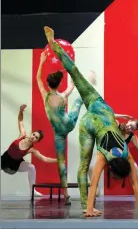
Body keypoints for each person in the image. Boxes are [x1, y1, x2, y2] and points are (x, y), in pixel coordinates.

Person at [43, 26, 138, 217]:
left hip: (100, 108)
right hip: (92, 119)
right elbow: (99, 183)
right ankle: (87, 206)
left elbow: (132, 184)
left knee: (76, 75)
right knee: (85, 165)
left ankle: (55, 47)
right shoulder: (105, 158)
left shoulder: (126, 155)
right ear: (113, 168)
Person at [87, 75, 138, 197]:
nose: (129, 127)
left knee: (135, 167)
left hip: (119, 157)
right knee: (91, 167)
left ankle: (137, 189)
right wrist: (123, 116)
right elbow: (109, 115)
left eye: (132, 128)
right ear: (127, 122)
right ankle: (95, 189)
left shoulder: (132, 137)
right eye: (129, 125)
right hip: (107, 153)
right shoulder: (116, 125)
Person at [37, 52, 84, 205]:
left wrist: (42, 61)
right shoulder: (63, 96)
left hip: (59, 132)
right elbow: (72, 85)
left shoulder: (45, 96)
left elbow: (38, 78)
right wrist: (71, 68)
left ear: (49, 84)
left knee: (60, 162)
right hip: (68, 123)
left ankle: (65, 194)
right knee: (78, 100)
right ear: (58, 84)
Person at [1, 104, 57, 197]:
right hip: (5, 158)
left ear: (37, 141)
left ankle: (33, 190)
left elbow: (45, 159)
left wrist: (57, 160)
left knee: (31, 167)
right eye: (34, 134)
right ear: (32, 133)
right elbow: (20, 121)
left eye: (36, 138)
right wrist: (21, 111)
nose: (34, 137)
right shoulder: (22, 135)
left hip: (16, 163)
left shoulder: (32, 149)